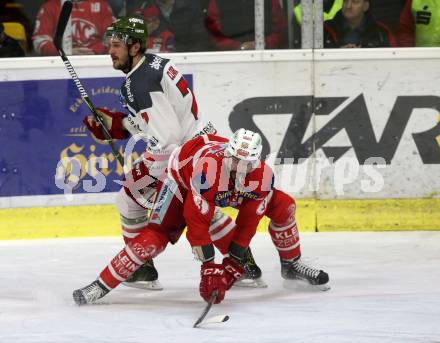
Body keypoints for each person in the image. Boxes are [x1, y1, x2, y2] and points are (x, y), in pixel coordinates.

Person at [81, 16, 263, 290]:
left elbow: (166, 141)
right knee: (203, 208)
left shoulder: (138, 84)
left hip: (184, 155)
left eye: (117, 45)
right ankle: (245, 265)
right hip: (203, 147)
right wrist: (118, 124)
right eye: (110, 44)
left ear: (134, 47)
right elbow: (163, 120)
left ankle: (141, 269)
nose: (111, 50)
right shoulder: (153, 65)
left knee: (129, 198)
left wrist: (153, 176)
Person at [72, 129, 330, 305]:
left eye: (248, 162)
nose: (241, 168)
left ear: (257, 161)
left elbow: (249, 223)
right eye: (236, 160)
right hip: (179, 182)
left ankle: (291, 264)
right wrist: (208, 269)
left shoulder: (261, 177)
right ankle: (100, 285)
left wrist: (232, 263)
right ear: (228, 155)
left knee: (285, 206)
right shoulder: (207, 171)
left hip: (208, 186)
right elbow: (196, 223)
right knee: (153, 239)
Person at [32, 0, 114, 56]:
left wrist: (96, 51)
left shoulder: (102, 6)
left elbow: (114, 37)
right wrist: (66, 52)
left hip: (95, 63)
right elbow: (40, 41)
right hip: (61, 64)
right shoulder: (50, 7)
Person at [205, 0, 288, 50]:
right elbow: (214, 33)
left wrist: (261, 44)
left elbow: (280, 31)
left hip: (265, 58)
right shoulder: (217, 2)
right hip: (229, 60)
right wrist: (238, 47)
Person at [324, 0, 397, 48]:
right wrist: (337, 53)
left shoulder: (381, 32)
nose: (348, 6)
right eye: (345, 1)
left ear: (366, 6)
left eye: (355, 2)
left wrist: (362, 54)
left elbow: (393, 60)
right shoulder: (325, 30)